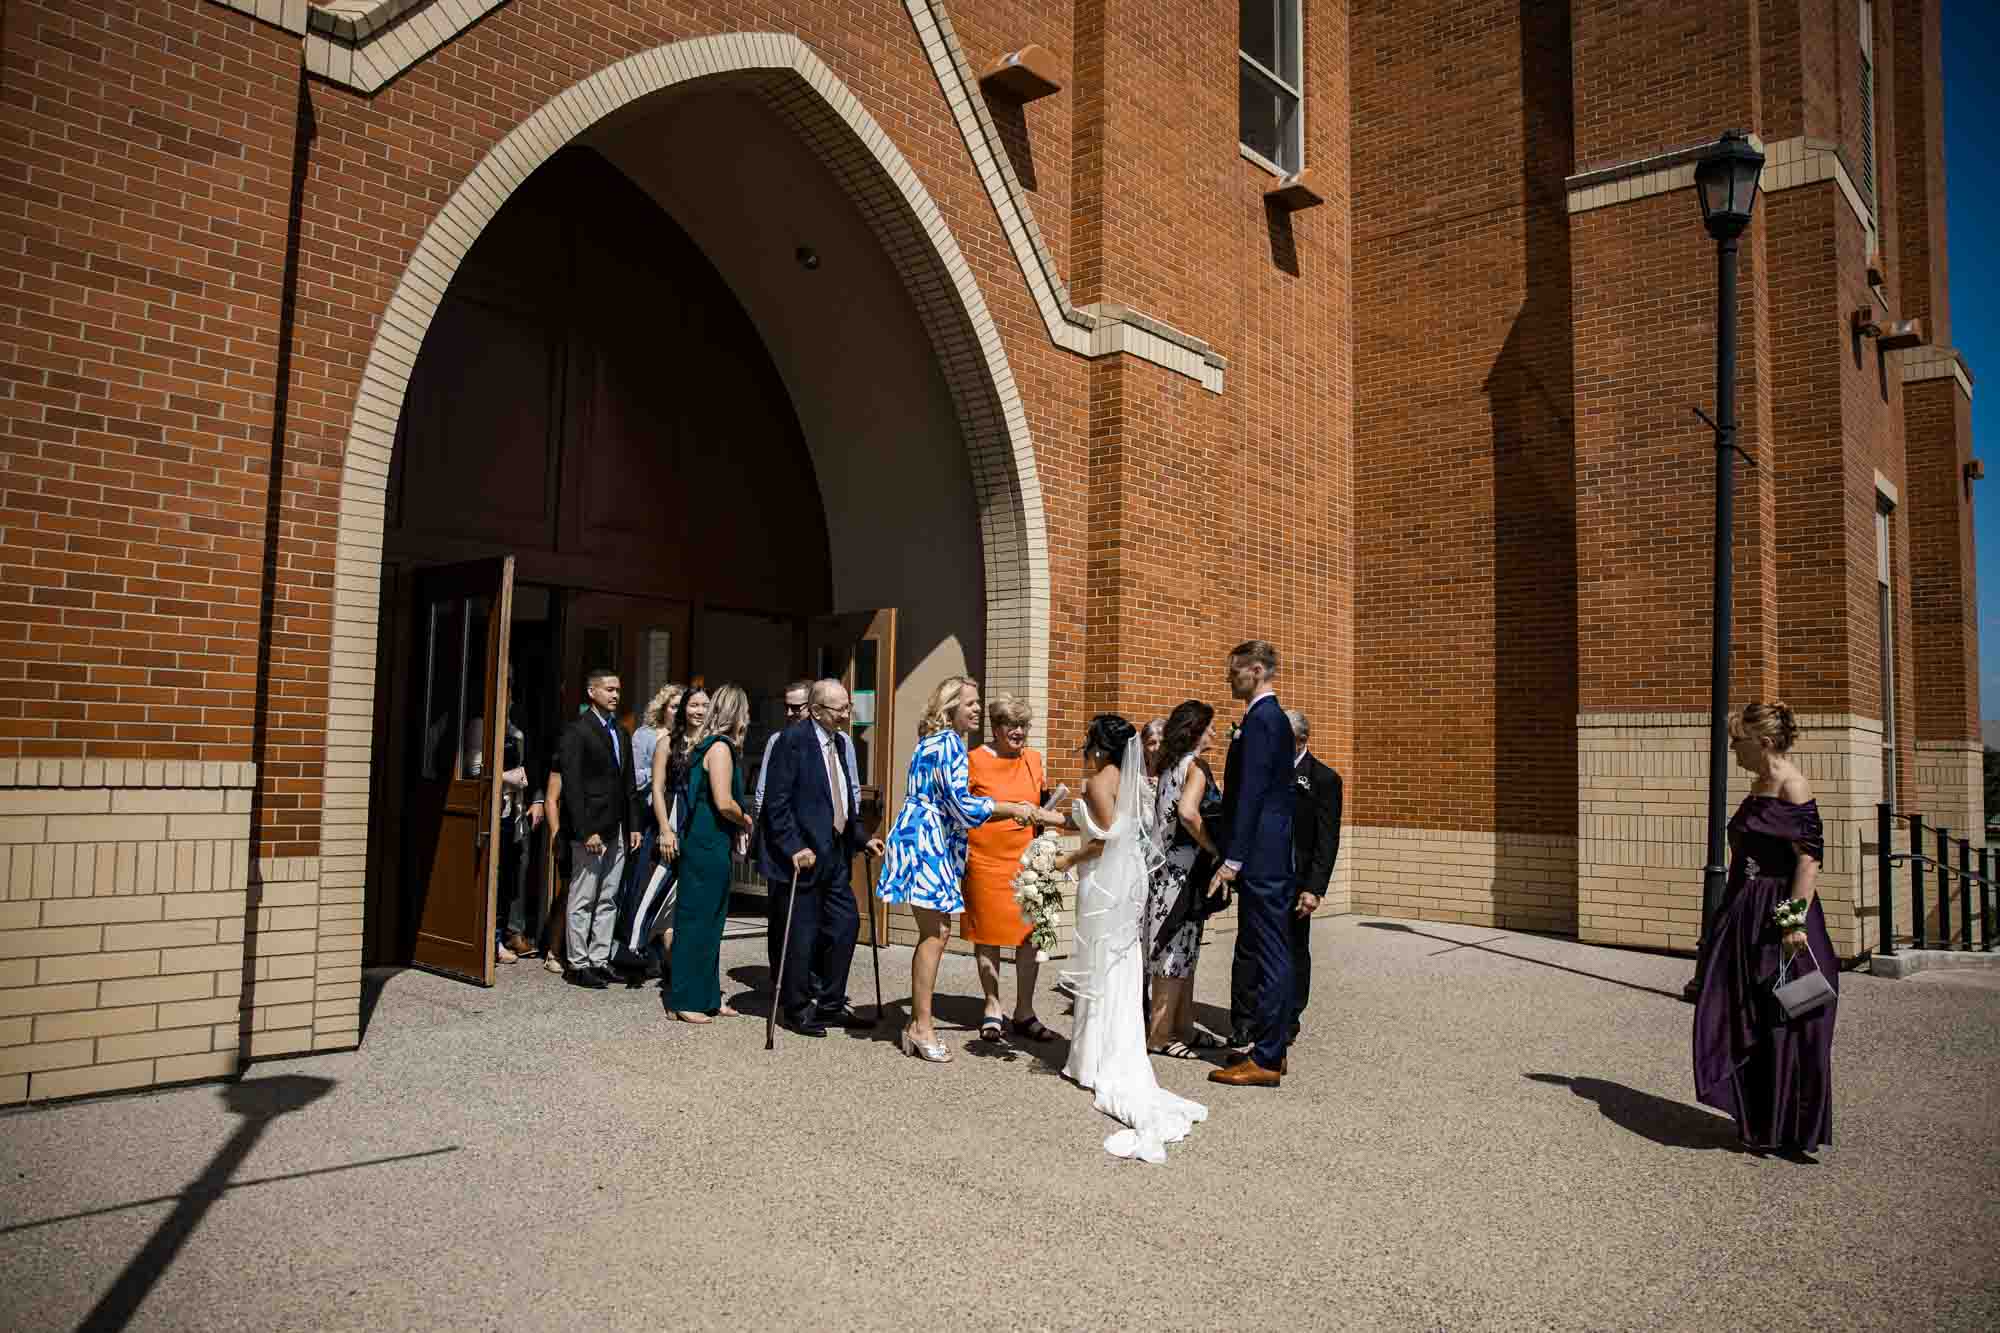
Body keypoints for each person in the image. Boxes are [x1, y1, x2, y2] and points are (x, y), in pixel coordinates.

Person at [876, 675, 1062, 1062]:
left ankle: (919, 1025)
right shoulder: (950, 744)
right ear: (950, 706)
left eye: (978, 703)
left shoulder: (934, 740)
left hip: (923, 837)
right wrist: (1013, 808)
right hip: (927, 840)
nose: (977, 708)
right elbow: (962, 807)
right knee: (934, 935)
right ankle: (921, 1027)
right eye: (971, 703)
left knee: (936, 932)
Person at [1058, 714, 1208, 1163]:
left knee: (1100, 962)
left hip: (1102, 882)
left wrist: (1067, 860)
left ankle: (1091, 1061)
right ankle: (1105, 1050)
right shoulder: (1128, 780)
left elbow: (1106, 839)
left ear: (1100, 747)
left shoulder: (1096, 782)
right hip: (1124, 884)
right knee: (1118, 965)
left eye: (1089, 742)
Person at [1692, 702, 1835, 1157]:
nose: (1732, 748)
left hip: (1780, 914)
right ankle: (1758, 1121)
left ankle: (1791, 1129)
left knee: (1788, 1016)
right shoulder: (1757, 784)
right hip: (1744, 912)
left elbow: (1808, 859)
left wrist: (1793, 923)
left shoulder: (1794, 786)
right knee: (1741, 1011)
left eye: (1738, 739)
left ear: (1765, 742)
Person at [757, 679, 885, 1035]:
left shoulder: (841, 744)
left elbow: (842, 799)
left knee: (846, 925)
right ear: (815, 711)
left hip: (835, 854)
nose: (847, 715)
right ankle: (796, 1010)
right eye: (839, 709)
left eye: (848, 707)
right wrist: (794, 846)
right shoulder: (791, 742)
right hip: (803, 856)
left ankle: (830, 1004)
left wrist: (862, 838)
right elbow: (776, 803)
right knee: (801, 934)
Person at [1209, 640, 1298, 1088]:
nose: (1229, 678)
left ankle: (1265, 1056)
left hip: (1261, 855)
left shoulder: (1264, 720)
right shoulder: (1266, 719)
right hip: (1270, 852)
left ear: (1257, 670)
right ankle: (1273, 1048)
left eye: (1235, 671)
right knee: (1270, 952)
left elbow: (1252, 796)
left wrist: (1233, 860)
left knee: (1270, 955)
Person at [1229, 708, 1342, 1051]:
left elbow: (1327, 839)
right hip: (1257, 877)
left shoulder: (1323, 779)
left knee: (1292, 950)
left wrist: (1314, 889)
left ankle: (1288, 1018)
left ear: (1301, 741)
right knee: (1248, 950)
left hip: (1295, 883)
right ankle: (1244, 1021)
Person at [963, 693, 1058, 1044]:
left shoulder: (1033, 758)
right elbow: (965, 807)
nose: (1018, 732)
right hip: (986, 860)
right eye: (1011, 725)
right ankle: (991, 1005)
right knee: (987, 934)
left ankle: (1024, 1011)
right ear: (995, 726)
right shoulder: (974, 760)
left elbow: (1043, 802)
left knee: (1029, 936)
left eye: (1024, 725)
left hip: (1030, 862)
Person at [547, 667, 643, 989]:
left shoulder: (622, 732)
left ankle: (600, 959)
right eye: (609, 689)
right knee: (583, 896)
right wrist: (585, 830)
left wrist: (634, 825)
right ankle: (577, 963)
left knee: (608, 897)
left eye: (618, 690)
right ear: (592, 692)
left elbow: (627, 783)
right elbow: (572, 786)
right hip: (591, 830)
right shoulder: (577, 732)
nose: (615, 695)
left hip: (617, 829)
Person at [665, 683, 755, 1023]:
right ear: (736, 713)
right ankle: (686, 998)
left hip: (708, 841)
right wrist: (744, 817)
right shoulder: (719, 748)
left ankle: (707, 995)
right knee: (698, 921)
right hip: (706, 842)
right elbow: (722, 801)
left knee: (712, 920)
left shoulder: (710, 746)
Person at [1145, 700, 1228, 1058]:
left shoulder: (1169, 766)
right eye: (1209, 726)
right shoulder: (1194, 766)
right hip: (1180, 874)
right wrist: (1213, 847)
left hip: (1167, 871)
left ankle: (1183, 1026)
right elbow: (1188, 813)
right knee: (1173, 953)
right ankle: (1160, 1035)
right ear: (1196, 731)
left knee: (1183, 952)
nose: (1214, 732)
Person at [463, 664, 545, 965]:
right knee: (491, 875)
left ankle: (500, 937)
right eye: (502, 691)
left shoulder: (514, 728)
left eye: (510, 691)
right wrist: (509, 777)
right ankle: (485, 941)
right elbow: (474, 769)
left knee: (508, 876)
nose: (507, 697)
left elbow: (531, 764)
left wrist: (533, 796)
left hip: (514, 812)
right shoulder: (478, 725)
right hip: (491, 810)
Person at [618, 684, 684, 976]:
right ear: (662, 708)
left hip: (678, 819)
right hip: (650, 819)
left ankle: (667, 957)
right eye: (673, 706)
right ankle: (637, 951)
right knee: (645, 886)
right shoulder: (646, 735)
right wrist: (661, 756)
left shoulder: (688, 739)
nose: (677, 712)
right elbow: (633, 778)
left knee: (673, 893)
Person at [751, 680, 815, 821]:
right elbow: (762, 790)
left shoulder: (838, 740)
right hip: (787, 828)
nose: (789, 713)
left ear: (813, 707)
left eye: (796, 707)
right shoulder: (777, 740)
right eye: (786, 706)